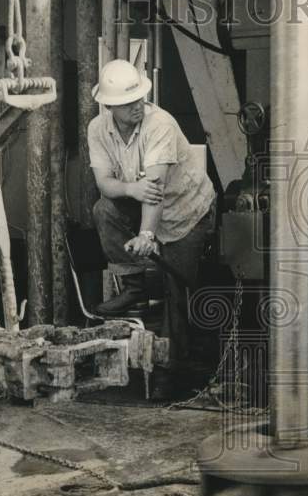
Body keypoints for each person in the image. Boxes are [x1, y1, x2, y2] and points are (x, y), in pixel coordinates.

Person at [88, 58, 216, 400]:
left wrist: (146, 234)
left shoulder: (160, 124)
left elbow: (155, 192)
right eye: (128, 102)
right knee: (104, 210)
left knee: (177, 290)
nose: (137, 106)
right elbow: (104, 184)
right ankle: (134, 285)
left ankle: (170, 372)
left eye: (139, 98)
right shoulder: (97, 129)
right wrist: (130, 189)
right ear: (109, 106)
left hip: (186, 211)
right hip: (143, 199)